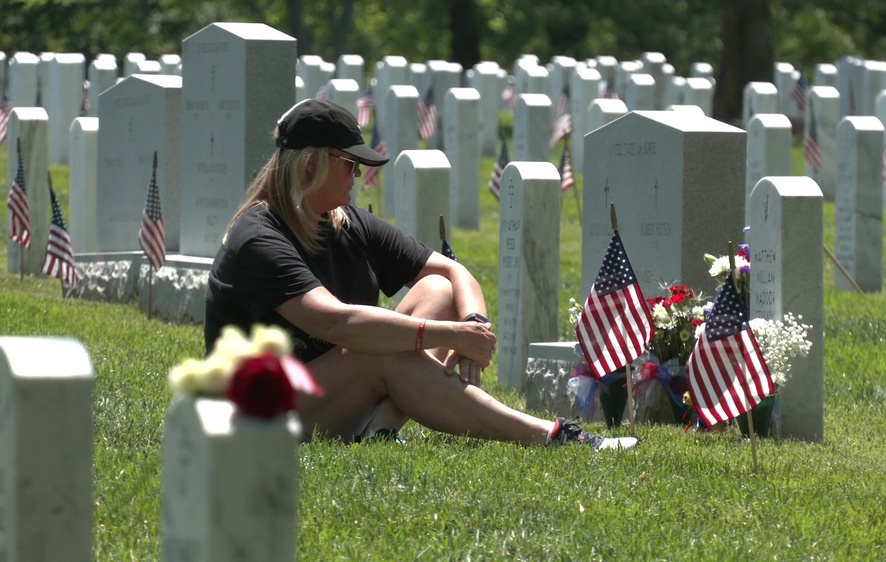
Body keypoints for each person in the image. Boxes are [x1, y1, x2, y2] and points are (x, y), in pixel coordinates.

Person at [204, 98, 636, 451]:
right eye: (350, 164)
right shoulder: (258, 238)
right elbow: (336, 321)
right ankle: (551, 435)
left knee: (436, 289)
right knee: (383, 348)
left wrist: (472, 329)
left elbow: (452, 271)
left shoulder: (342, 221)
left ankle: (380, 430)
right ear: (310, 164)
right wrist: (448, 337)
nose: (359, 174)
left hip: (322, 389)